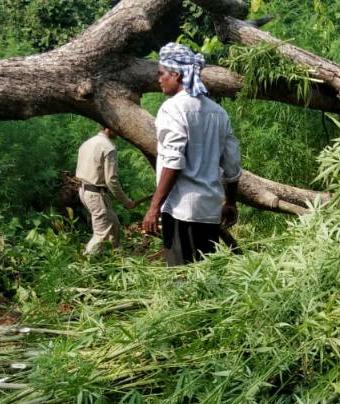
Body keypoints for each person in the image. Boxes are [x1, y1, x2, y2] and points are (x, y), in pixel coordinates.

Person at [141, 42, 243, 266]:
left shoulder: (173, 109)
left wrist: (154, 208)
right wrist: (231, 202)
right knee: (205, 275)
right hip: (210, 210)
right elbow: (232, 164)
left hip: (181, 210)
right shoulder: (218, 112)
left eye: (161, 73)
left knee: (182, 278)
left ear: (176, 75)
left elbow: (173, 162)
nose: (158, 79)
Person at [75, 126, 135, 256]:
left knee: (113, 224)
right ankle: (86, 262)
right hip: (96, 194)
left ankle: (116, 255)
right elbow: (111, 180)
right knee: (101, 233)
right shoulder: (108, 147)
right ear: (108, 128)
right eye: (117, 129)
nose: (119, 132)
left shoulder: (87, 143)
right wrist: (126, 201)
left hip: (84, 191)